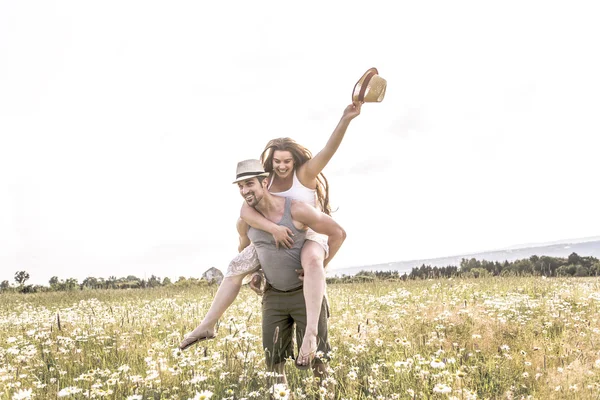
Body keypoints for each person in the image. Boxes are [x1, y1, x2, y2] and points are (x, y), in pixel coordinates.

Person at [179, 103, 361, 366]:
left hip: (309, 233)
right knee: (235, 266)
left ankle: (310, 333)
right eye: (277, 161)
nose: (283, 166)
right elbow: (245, 212)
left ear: (295, 160)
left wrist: (345, 119)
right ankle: (208, 324)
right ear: (270, 164)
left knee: (311, 261)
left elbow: (328, 151)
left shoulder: (304, 173)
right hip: (274, 238)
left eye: (287, 161)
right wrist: (270, 237)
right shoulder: (265, 182)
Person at [236, 159, 346, 383]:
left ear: (264, 182)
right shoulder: (245, 219)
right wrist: (254, 275)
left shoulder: (295, 208)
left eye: (249, 184)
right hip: (273, 296)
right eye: (240, 186)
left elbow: (338, 233)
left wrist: (318, 269)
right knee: (273, 361)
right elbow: (245, 250)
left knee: (318, 361)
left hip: (305, 294)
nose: (245, 190)